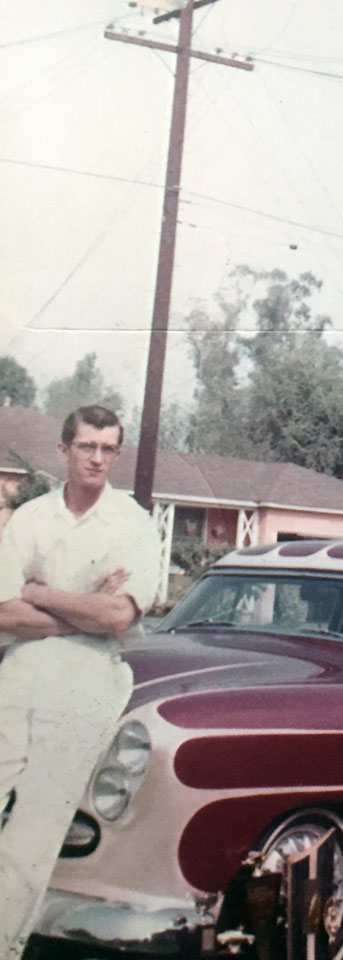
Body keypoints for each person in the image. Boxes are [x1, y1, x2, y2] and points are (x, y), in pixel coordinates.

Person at [0, 404, 162, 958]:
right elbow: (2, 613)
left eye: (108, 448)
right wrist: (87, 604)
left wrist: (39, 592)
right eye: (87, 446)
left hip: (86, 680)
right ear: (63, 450)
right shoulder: (31, 520)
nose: (96, 458)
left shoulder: (132, 523)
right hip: (16, 674)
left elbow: (119, 619)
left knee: (34, 828)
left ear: (116, 454)